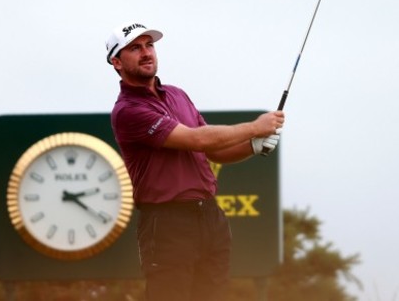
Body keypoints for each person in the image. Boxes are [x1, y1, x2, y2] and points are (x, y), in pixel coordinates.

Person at [105, 21, 284, 301]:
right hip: (167, 223)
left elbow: (212, 151)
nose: (146, 53)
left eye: (149, 45)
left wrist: (252, 146)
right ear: (116, 62)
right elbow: (196, 139)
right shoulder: (128, 111)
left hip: (210, 217)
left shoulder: (177, 94)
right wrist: (254, 128)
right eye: (134, 48)